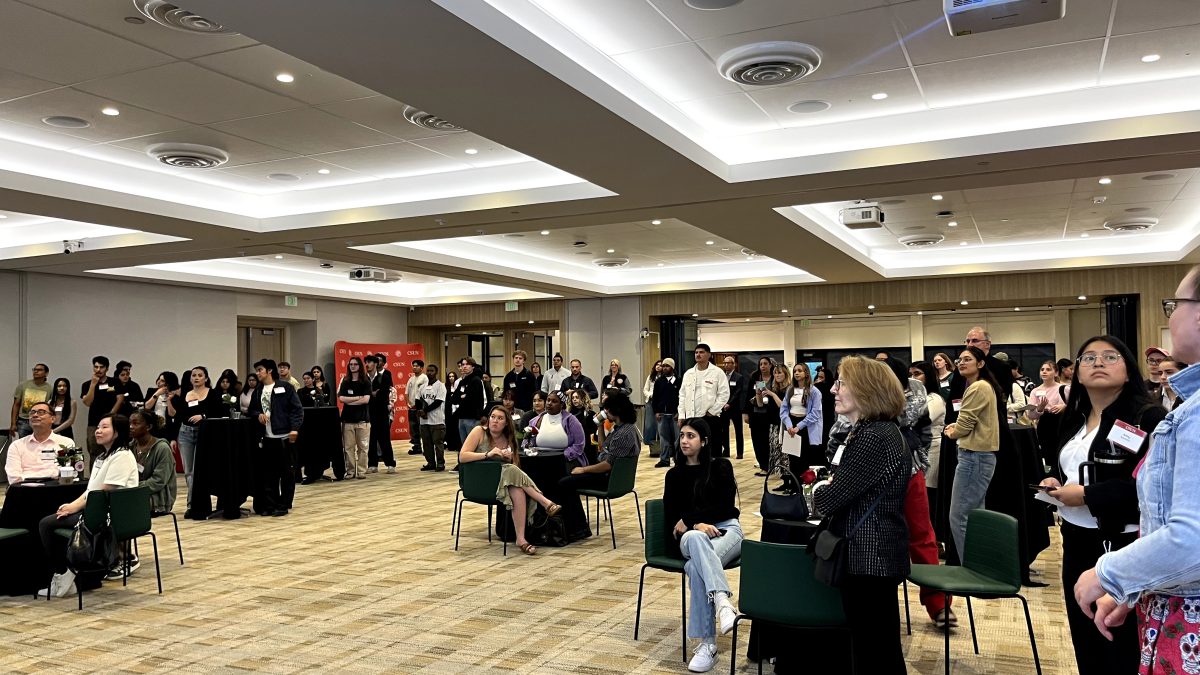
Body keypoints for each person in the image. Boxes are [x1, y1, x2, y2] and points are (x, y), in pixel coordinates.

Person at [1074, 268, 1200, 673]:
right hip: (1156, 580)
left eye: (1175, 305)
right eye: (1089, 358)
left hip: (1140, 559)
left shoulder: (1171, 415)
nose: (1171, 317)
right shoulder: (1072, 417)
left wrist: (1112, 572)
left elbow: (1191, 536)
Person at [1035, 336, 1164, 675]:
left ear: (1127, 369)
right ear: (1076, 373)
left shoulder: (1147, 417)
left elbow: (1151, 488)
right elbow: (1071, 468)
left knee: (1118, 640)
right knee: (1084, 632)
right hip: (1076, 537)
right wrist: (1057, 484)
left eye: (1110, 356)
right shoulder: (1072, 418)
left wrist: (1089, 496)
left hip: (1125, 541)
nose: (1098, 363)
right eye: (1088, 358)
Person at [812, 356, 910, 674]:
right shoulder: (876, 431)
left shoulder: (872, 437)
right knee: (876, 645)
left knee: (875, 650)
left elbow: (829, 499)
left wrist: (819, 491)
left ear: (866, 390)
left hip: (869, 556)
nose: (833, 390)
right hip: (874, 553)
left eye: (841, 383)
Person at [663, 417, 742, 674]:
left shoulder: (720, 467)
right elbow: (670, 521)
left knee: (697, 568)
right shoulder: (674, 475)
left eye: (691, 436)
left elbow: (727, 508)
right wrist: (696, 527)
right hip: (690, 538)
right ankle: (722, 601)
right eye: (682, 435)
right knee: (696, 541)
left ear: (704, 441)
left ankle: (708, 645)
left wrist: (690, 519)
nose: (684, 440)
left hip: (727, 530)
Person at [38, 414, 138, 597]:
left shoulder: (122, 456)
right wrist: (71, 505)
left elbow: (104, 491)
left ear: (117, 432)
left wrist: (75, 508)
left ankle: (66, 575)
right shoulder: (103, 456)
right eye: (98, 426)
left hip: (110, 515)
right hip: (95, 509)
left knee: (46, 524)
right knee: (52, 518)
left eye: (105, 427)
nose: (98, 431)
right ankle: (69, 575)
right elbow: (91, 489)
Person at [459, 405, 562, 555]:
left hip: (500, 483)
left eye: (500, 418)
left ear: (506, 423)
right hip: (477, 482)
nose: (495, 421)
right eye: (493, 417)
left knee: (516, 486)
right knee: (511, 472)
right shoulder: (479, 431)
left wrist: (509, 457)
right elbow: (463, 456)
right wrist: (488, 454)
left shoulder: (508, 439)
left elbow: (516, 468)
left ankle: (521, 539)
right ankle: (544, 501)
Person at [556, 392, 641, 542]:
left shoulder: (624, 434)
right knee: (568, 480)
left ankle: (578, 528)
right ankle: (577, 526)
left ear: (616, 410)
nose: (605, 412)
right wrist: (600, 426)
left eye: (607, 410)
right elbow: (602, 448)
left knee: (565, 483)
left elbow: (607, 465)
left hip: (609, 479)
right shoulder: (621, 428)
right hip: (610, 475)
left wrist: (584, 469)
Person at [943, 346, 1003, 559]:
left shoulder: (978, 387)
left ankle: (973, 567)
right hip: (979, 456)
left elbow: (965, 423)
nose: (961, 362)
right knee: (974, 515)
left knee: (959, 517)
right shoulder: (982, 386)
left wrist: (952, 432)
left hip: (974, 456)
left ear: (980, 363)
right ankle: (980, 564)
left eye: (967, 359)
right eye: (959, 359)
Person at [122, 409, 177, 579]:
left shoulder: (161, 448)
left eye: (136, 423)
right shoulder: (129, 447)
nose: (131, 427)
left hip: (158, 498)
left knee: (120, 510)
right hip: (134, 494)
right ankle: (113, 555)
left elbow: (158, 481)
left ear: (149, 426)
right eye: (129, 423)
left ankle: (126, 557)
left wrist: (132, 489)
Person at [249, 359, 303, 515]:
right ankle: (270, 504)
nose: (258, 373)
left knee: (286, 473)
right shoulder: (258, 391)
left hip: (284, 436)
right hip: (266, 437)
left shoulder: (285, 387)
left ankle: (284, 504)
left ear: (269, 371)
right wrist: (257, 414)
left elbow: (296, 410)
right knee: (269, 474)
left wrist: (294, 428)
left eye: (260, 370)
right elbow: (252, 410)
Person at [172, 366, 224, 518]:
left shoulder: (213, 393)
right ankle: (191, 505)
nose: (196, 378)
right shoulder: (185, 394)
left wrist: (203, 415)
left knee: (201, 471)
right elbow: (179, 416)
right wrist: (173, 438)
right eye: (194, 375)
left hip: (204, 433)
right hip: (185, 433)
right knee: (189, 472)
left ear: (206, 378)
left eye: (200, 375)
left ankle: (202, 504)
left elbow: (220, 412)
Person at [911, 361, 948, 544]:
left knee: (929, 497)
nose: (913, 378)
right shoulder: (913, 398)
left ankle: (934, 540)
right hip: (917, 451)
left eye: (917, 374)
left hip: (933, 449)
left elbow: (918, 421)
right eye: (911, 374)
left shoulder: (934, 399)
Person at [779, 362, 823, 487]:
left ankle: (804, 486)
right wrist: (788, 425)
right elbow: (783, 409)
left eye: (799, 370)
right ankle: (793, 486)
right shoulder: (790, 389)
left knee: (804, 458)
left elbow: (815, 413)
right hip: (791, 425)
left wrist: (799, 426)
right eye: (795, 371)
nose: (797, 373)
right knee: (792, 458)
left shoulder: (814, 391)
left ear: (806, 373)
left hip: (805, 427)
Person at [5, 401, 68, 483]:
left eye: (41, 412)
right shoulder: (17, 445)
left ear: (52, 418)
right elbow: (13, 477)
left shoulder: (65, 443)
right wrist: (48, 476)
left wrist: (28, 476)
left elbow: (66, 472)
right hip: (24, 490)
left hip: (55, 489)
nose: (35, 415)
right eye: (32, 412)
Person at [81, 356, 125, 469]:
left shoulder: (115, 382)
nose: (98, 370)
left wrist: (110, 416)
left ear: (107, 368)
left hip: (113, 421)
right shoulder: (87, 384)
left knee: (114, 449)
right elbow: (87, 402)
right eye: (96, 367)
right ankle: (94, 478)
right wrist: (93, 385)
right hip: (94, 423)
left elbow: (120, 399)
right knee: (94, 450)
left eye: (101, 367)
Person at [678, 344, 730, 437]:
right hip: (691, 418)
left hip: (710, 418)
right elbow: (682, 395)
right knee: (693, 448)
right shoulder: (688, 373)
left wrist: (712, 411)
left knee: (712, 448)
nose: (698, 354)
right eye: (696, 352)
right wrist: (681, 415)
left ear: (709, 355)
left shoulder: (717, 372)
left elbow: (724, 394)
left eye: (701, 352)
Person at [525, 391, 586, 466]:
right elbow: (526, 440)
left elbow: (579, 445)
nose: (549, 403)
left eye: (554, 401)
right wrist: (528, 448)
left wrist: (564, 456)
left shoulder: (571, 420)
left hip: (564, 460)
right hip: (539, 458)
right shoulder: (536, 420)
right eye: (548, 400)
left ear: (562, 404)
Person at [339, 356, 372, 480]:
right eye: (351, 364)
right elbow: (341, 398)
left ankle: (362, 471)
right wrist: (358, 398)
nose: (353, 366)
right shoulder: (345, 381)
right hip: (347, 420)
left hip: (362, 420)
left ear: (360, 366)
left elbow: (366, 400)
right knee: (348, 448)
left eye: (355, 364)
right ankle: (350, 471)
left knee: (363, 448)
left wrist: (350, 400)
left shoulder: (365, 382)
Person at [745, 357, 777, 474]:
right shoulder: (755, 378)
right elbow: (748, 394)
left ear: (770, 365)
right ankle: (763, 465)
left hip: (769, 415)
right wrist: (746, 413)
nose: (763, 366)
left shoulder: (775, 378)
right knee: (757, 440)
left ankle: (770, 465)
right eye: (761, 364)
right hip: (755, 414)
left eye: (765, 364)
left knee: (767, 441)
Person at [364, 356, 396, 474]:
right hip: (368, 412)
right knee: (371, 439)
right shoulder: (364, 378)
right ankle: (372, 464)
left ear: (376, 364)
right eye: (366, 362)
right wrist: (372, 394)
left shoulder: (385, 377)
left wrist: (370, 395)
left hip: (382, 412)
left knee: (384, 439)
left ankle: (390, 463)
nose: (367, 364)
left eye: (370, 362)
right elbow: (364, 394)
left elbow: (383, 395)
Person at [449, 357, 487, 447]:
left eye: (467, 364)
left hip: (472, 417)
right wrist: (463, 396)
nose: (464, 367)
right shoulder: (462, 382)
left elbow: (471, 399)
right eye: (463, 365)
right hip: (462, 417)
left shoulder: (476, 380)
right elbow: (453, 399)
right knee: (464, 445)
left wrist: (462, 397)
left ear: (473, 366)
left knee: (474, 445)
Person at [417, 364, 447, 472]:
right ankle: (430, 462)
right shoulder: (422, 386)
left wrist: (425, 410)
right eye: (428, 370)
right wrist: (421, 410)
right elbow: (418, 400)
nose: (430, 372)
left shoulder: (441, 386)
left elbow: (438, 402)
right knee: (426, 443)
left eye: (432, 371)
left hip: (437, 420)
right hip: (424, 421)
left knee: (438, 443)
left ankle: (440, 463)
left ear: (436, 372)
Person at [652, 358, 682, 468]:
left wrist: (679, 412)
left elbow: (682, 397)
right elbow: (655, 398)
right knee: (663, 439)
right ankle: (664, 460)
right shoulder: (659, 382)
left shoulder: (679, 380)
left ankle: (678, 459)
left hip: (675, 415)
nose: (664, 368)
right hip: (662, 415)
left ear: (672, 368)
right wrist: (656, 411)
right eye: (663, 366)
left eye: (667, 366)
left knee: (677, 439)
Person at [11, 362, 52, 438]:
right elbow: (16, 405)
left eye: (39, 370)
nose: (36, 371)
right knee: (24, 444)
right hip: (24, 420)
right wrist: (13, 423)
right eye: (34, 369)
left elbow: (51, 407)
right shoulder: (23, 385)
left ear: (46, 373)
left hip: (40, 420)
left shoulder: (50, 388)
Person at [717, 355, 747, 459]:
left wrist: (729, 403)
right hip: (723, 408)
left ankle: (740, 453)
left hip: (735, 408)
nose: (726, 365)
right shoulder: (721, 377)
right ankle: (726, 451)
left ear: (733, 364)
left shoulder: (739, 377)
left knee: (738, 431)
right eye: (724, 363)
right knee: (724, 431)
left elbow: (737, 392)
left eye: (728, 363)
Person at [763, 364, 790, 480]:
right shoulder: (774, 388)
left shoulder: (789, 388)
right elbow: (761, 404)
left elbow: (782, 406)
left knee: (785, 453)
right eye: (775, 373)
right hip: (773, 423)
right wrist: (760, 395)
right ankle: (784, 480)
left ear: (785, 374)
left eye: (780, 373)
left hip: (784, 424)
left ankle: (789, 480)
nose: (777, 375)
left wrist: (772, 394)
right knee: (777, 452)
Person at [405, 359, 429, 457]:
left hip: (420, 407)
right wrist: (408, 403)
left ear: (422, 368)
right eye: (413, 365)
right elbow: (406, 392)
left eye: (417, 366)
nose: (414, 367)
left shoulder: (424, 378)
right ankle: (416, 446)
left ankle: (426, 448)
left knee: (421, 428)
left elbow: (426, 393)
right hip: (411, 407)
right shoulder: (411, 379)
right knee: (413, 428)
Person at [568, 389, 599, 464]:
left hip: (588, 445)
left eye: (577, 397)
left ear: (583, 398)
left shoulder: (591, 414)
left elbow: (594, 433)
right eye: (573, 398)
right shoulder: (569, 415)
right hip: (573, 445)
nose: (574, 399)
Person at [643, 360, 661, 450]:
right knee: (650, 423)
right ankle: (649, 442)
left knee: (659, 423)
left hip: (660, 402)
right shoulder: (651, 377)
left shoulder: (664, 377)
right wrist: (650, 395)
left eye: (660, 365)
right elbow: (645, 390)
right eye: (657, 364)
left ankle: (659, 443)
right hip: (650, 401)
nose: (658, 366)